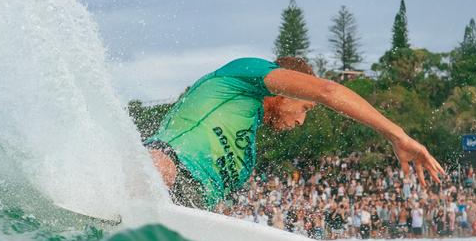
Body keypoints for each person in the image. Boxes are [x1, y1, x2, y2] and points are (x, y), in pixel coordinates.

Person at [144, 57, 443, 209]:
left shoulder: (245, 160)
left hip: (187, 210)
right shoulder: (242, 73)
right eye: (304, 109)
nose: (301, 121)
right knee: (160, 166)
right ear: (285, 91)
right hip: (164, 165)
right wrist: (397, 135)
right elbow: (328, 91)